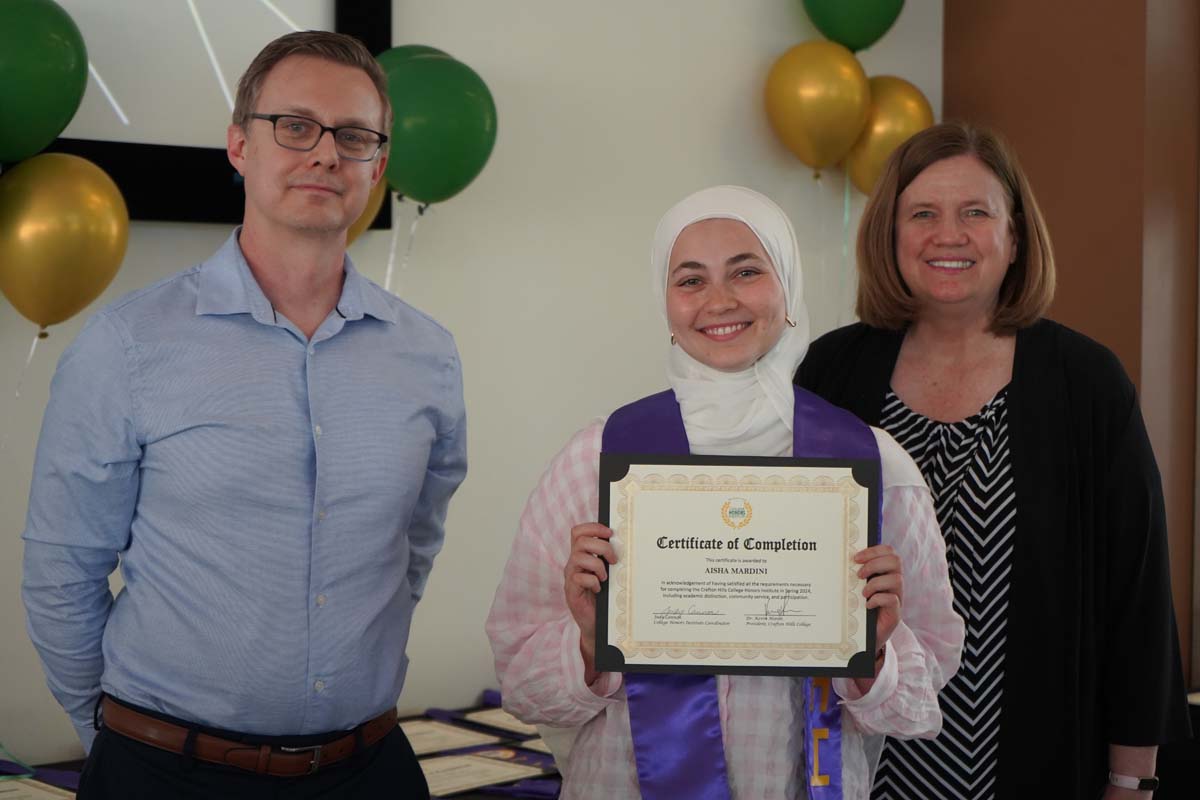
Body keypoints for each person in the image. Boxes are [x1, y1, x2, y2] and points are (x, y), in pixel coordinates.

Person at [21, 31, 467, 798]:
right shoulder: (129, 344)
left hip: (369, 772)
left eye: (354, 136)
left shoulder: (428, 355)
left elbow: (410, 546)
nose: (326, 154)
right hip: (164, 772)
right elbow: (62, 568)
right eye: (295, 126)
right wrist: (115, 744)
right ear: (238, 145)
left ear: (379, 166)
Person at [486, 185, 964, 799]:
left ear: (787, 286)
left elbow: (924, 696)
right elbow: (522, 684)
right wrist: (587, 641)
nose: (719, 300)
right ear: (664, 302)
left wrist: (872, 651)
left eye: (747, 271)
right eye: (690, 280)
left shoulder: (868, 464)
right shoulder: (599, 459)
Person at [795, 121, 1191, 799]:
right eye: (923, 214)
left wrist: (1132, 778)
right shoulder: (831, 372)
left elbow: (1139, 598)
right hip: (851, 763)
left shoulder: (1086, 384)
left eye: (975, 212)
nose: (949, 234)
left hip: (1029, 760)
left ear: (1014, 239)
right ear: (891, 236)